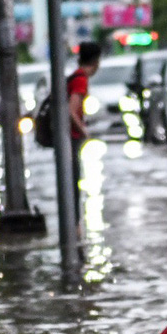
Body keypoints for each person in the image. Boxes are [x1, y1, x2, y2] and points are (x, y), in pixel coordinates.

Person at [66, 41, 100, 215]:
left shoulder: (75, 76)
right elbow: (72, 110)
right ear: (96, 61)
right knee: (73, 180)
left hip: (69, 136)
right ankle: (75, 224)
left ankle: (74, 223)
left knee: (72, 181)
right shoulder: (80, 80)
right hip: (71, 137)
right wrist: (84, 131)